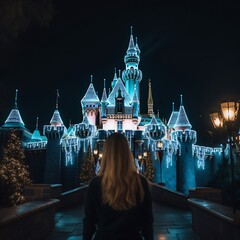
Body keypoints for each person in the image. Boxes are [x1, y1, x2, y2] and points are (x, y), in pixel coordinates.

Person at [83, 132, 153, 240]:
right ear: (127, 152)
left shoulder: (96, 184)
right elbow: (147, 223)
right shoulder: (141, 182)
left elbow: (89, 222)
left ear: (106, 153)